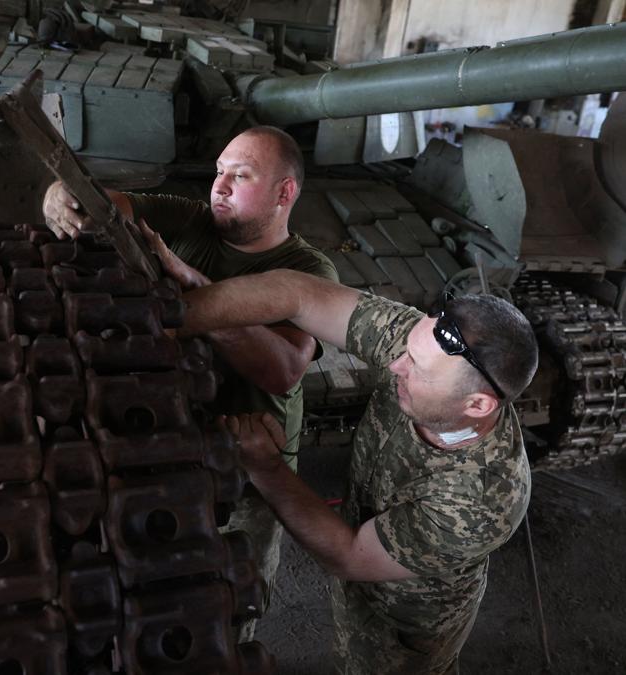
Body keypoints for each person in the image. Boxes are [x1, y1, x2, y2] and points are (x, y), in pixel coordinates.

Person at [42, 126, 339, 636]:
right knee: (153, 601)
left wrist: (194, 288)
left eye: (240, 176)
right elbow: (107, 205)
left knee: (230, 608)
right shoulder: (191, 219)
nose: (219, 186)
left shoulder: (308, 269)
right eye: (219, 171)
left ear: (283, 193)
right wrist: (59, 194)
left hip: (251, 472)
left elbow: (284, 367)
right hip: (164, 450)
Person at [179, 269, 538, 674]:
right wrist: (178, 313)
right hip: (357, 576)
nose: (396, 364)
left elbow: (349, 555)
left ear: (477, 405)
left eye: (417, 368)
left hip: (404, 622)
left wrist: (265, 466)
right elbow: (300, 295)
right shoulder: (425, 347)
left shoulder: (482, 499)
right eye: (407, 350)